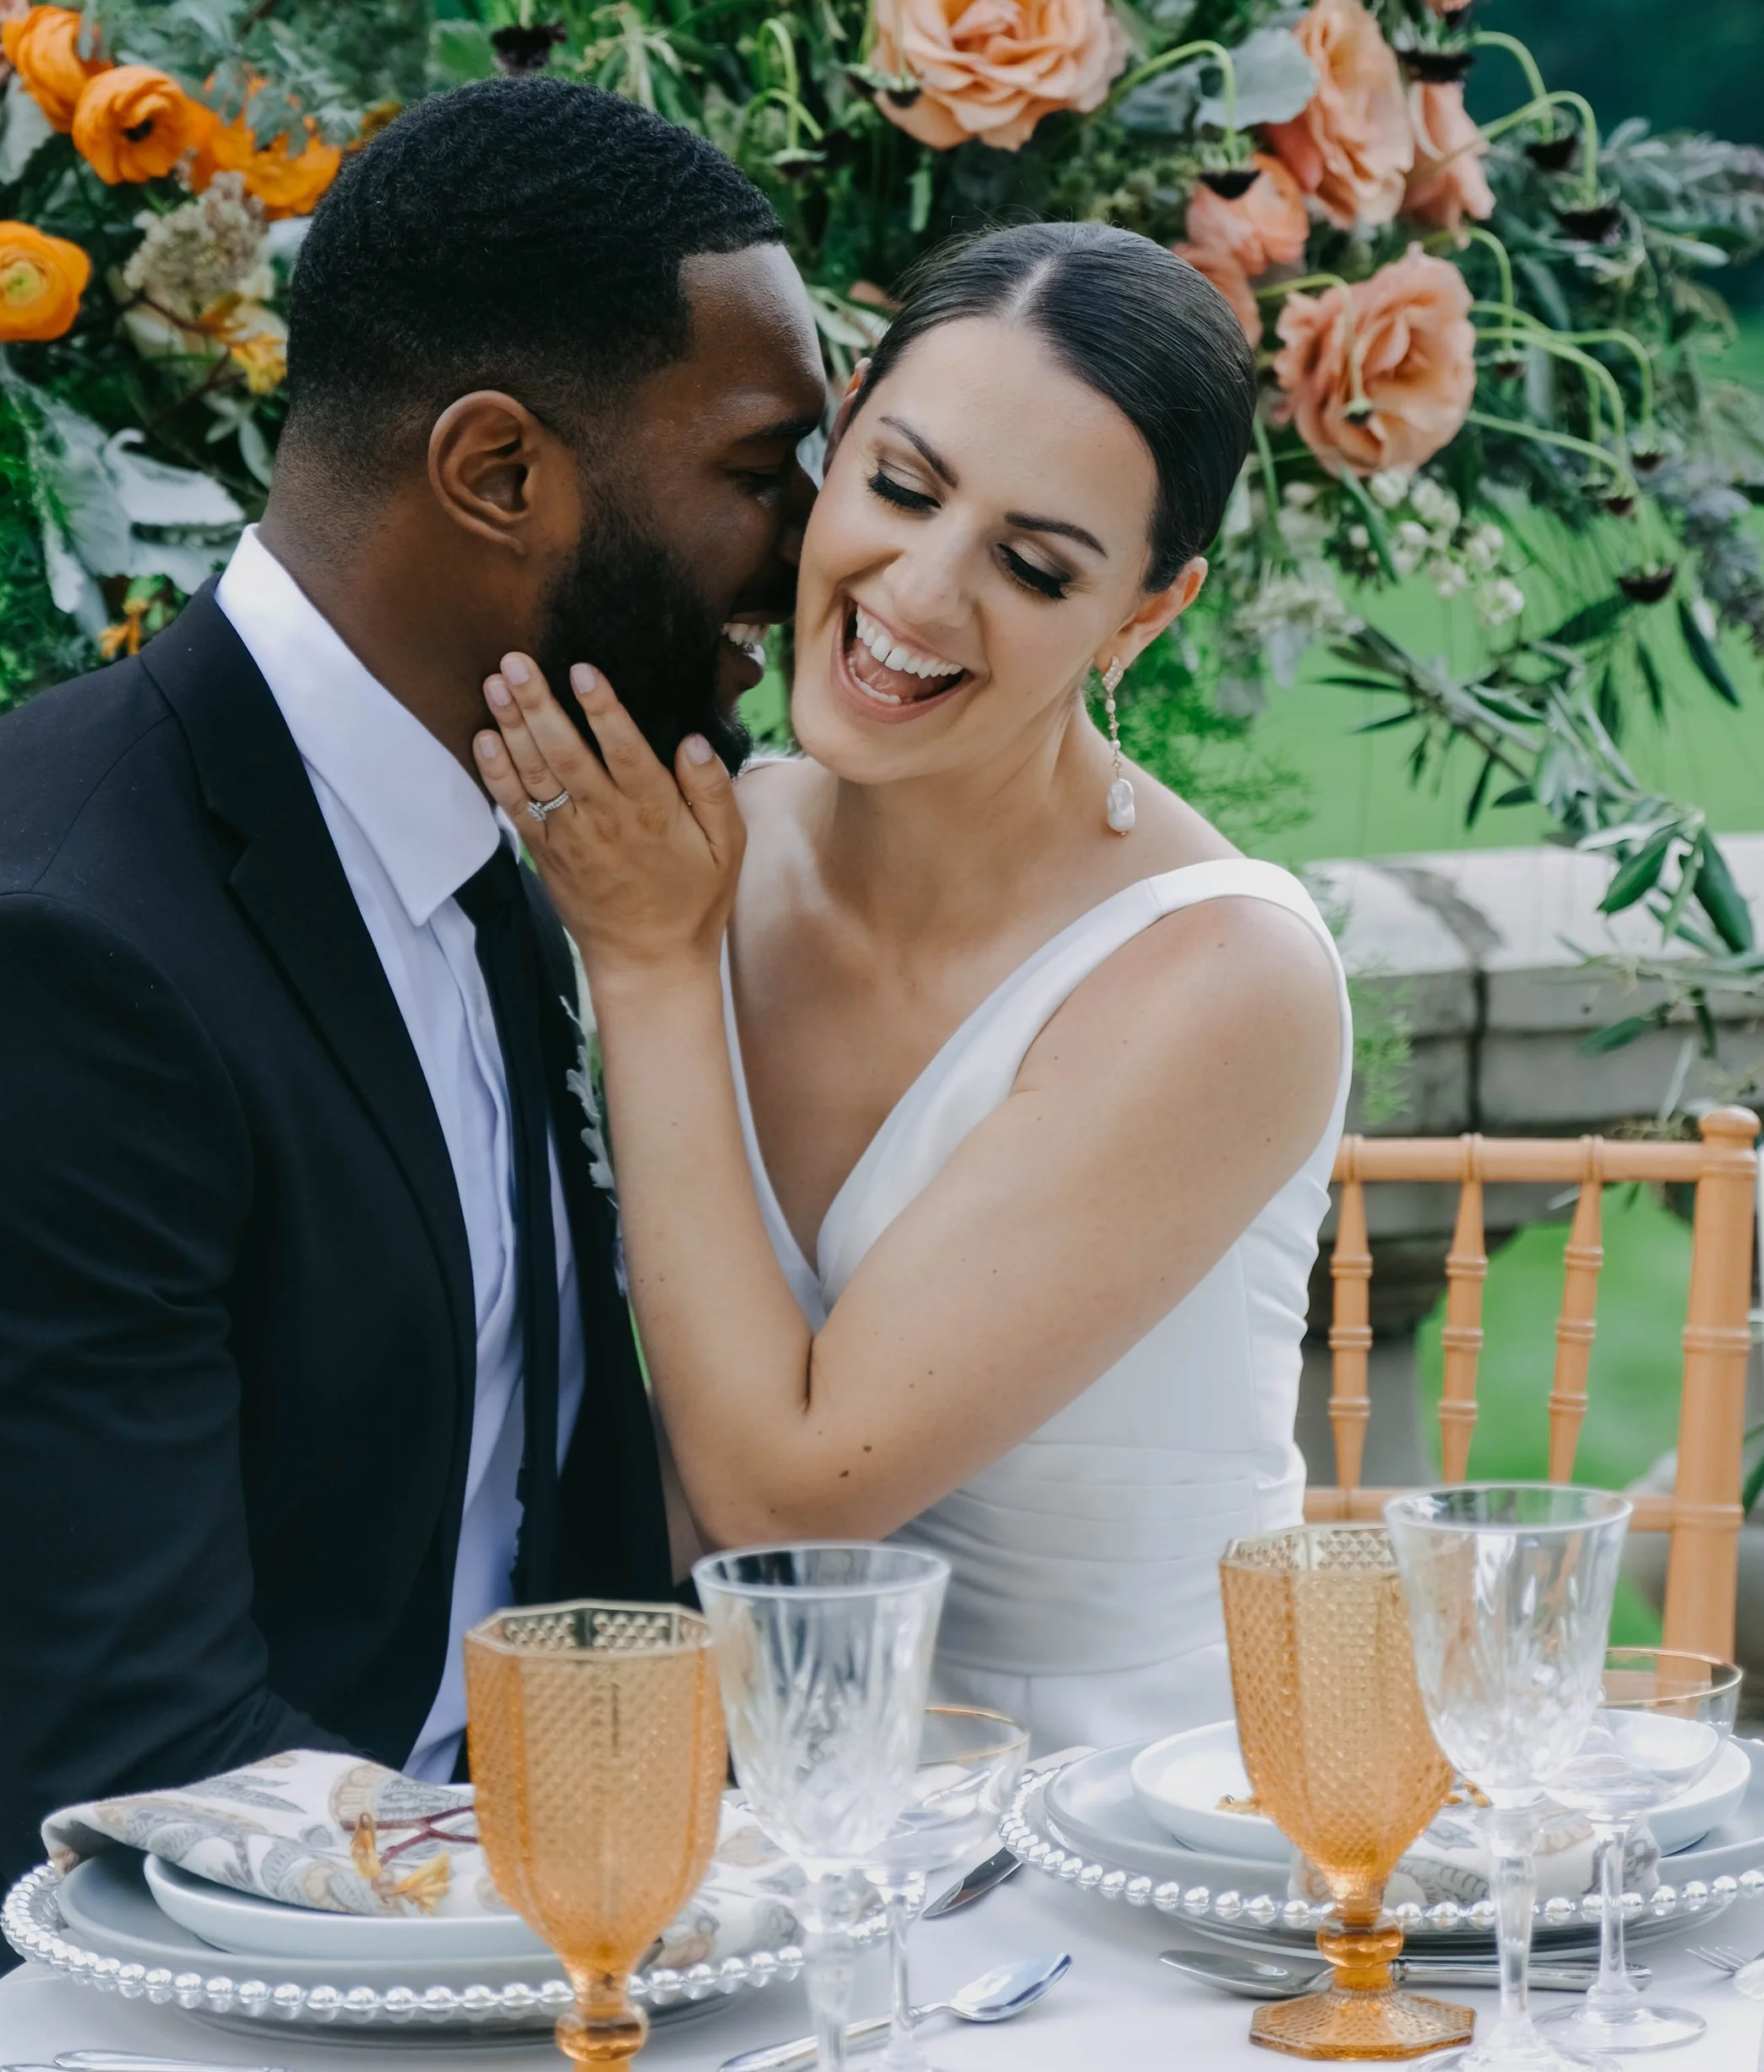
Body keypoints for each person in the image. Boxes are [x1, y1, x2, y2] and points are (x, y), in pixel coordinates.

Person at [0, 78, 826, 2072]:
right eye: (759, 471)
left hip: (422, 1901)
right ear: (492, 474)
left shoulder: (498, 851)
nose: (812, 553)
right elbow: (134, 1767)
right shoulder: (41, 968)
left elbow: (557, 1539)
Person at [474, 218, 1351, 1750]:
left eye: (1031, 563)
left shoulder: (1222, 976)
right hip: (750, 1806)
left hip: (1138, 1840)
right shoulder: (703, 842)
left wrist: (649, 966)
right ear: (848, 418)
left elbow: (783, 1494)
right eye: (900, 484)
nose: (924, 593)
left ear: (1146, 611)